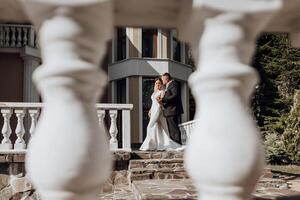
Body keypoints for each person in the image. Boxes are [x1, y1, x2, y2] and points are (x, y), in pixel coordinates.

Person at [140, 77, 181, 151]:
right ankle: (155, 145)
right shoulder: (154, 93)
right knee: (157, 127)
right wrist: (150, 110)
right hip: (153, 110)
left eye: (159, 83)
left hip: (158, 110)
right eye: (156, 83)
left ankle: (149, 144)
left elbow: (161, 103)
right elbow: (153, 103)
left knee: (150, 126)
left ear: (161, 84)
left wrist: (159, 103)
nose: (157, 84)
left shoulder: (162, 92)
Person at [157, 73, 183, 145]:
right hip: (169, 110)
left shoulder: (174, 84)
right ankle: (174, 144)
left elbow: (175, 95)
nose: (162, 81)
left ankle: (178, 143)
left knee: (174, 128)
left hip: (173, 110)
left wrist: (163, 100)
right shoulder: (167, 86)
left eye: (163, 79)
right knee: (171, 129)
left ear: (166, 78)